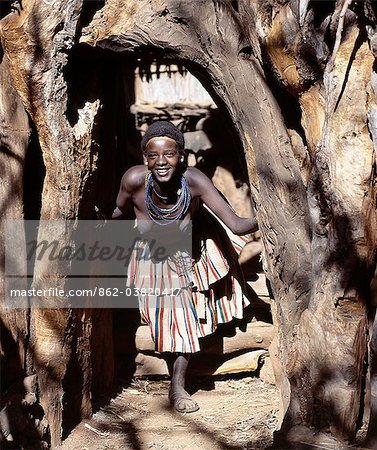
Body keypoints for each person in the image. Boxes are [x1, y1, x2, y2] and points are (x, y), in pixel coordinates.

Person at [112, 121, 258, 413]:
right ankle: (177, 385)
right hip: (151, 259)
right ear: (145, 158)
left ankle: (177, 386)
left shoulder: (194, 181)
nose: (161, 161)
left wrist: (269, 216)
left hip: (185, 257)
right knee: (171, 321)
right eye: (153, 155)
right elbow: (117, 211)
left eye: (169, 154)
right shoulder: (133, 180)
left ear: (181, 155)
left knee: (183, 321)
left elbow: (237, 224)